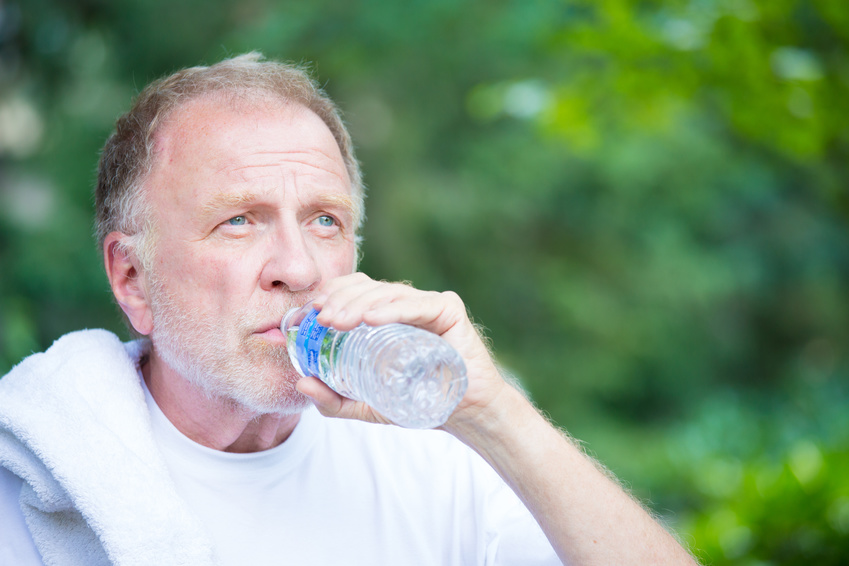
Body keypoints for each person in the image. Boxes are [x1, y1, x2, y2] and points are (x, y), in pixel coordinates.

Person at [0, 53, 698, 565]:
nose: (298, 268)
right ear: (131, 279)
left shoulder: (434, 460)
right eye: (239, 221)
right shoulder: (36, 481)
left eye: (325, 221)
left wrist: (497, 417)